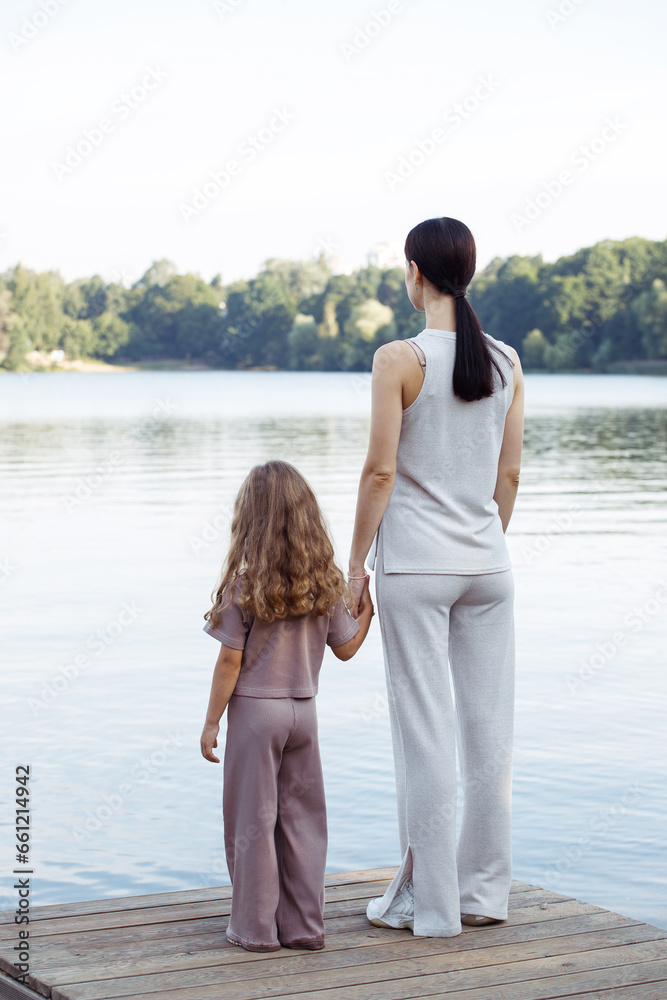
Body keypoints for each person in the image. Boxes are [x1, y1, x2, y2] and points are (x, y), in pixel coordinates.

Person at [347, 216, 524, 937]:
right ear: (469, 273)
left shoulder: (399, 358)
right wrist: (479, 543)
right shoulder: (507, 360)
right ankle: (484, 895)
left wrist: (350, 562)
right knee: (489, 737)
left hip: (414, 567)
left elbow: (380, 470)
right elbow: (507, 475)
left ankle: (433, 907)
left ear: (416, 273)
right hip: (488, 565)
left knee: (424, 734)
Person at [200, 460, 374, 953]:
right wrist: (368, 612)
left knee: (252, 820)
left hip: (257, 716)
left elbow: (228, 664)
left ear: (249, 520)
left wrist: (212, 722)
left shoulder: (245, 586)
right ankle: (304, 928)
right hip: (305, 713)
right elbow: (346, 648)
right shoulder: (323, 584)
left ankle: (255, 930)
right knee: (303, 821)